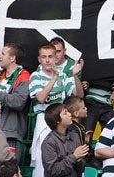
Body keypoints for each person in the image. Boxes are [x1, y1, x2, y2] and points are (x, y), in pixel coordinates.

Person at [29, 45, 84, 177]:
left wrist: (75, 76)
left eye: (50, 57)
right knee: (43, 161)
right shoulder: (36, 76)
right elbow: (41, 98)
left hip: (62, 121)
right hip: (43, 119)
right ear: (39, 59)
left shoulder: (64, 76)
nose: (47, 60)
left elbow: (79, 95)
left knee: (64, 156)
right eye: (44, 57)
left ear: (56, 58)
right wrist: (54, 78)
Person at [40, 104, 87, 177]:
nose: (69, 114)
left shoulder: (74, 136)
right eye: (65, 113)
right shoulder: (49, 142)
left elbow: (81, 166)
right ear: (57, 120)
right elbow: (53, 170)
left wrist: (86, 144)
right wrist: (74, 156)